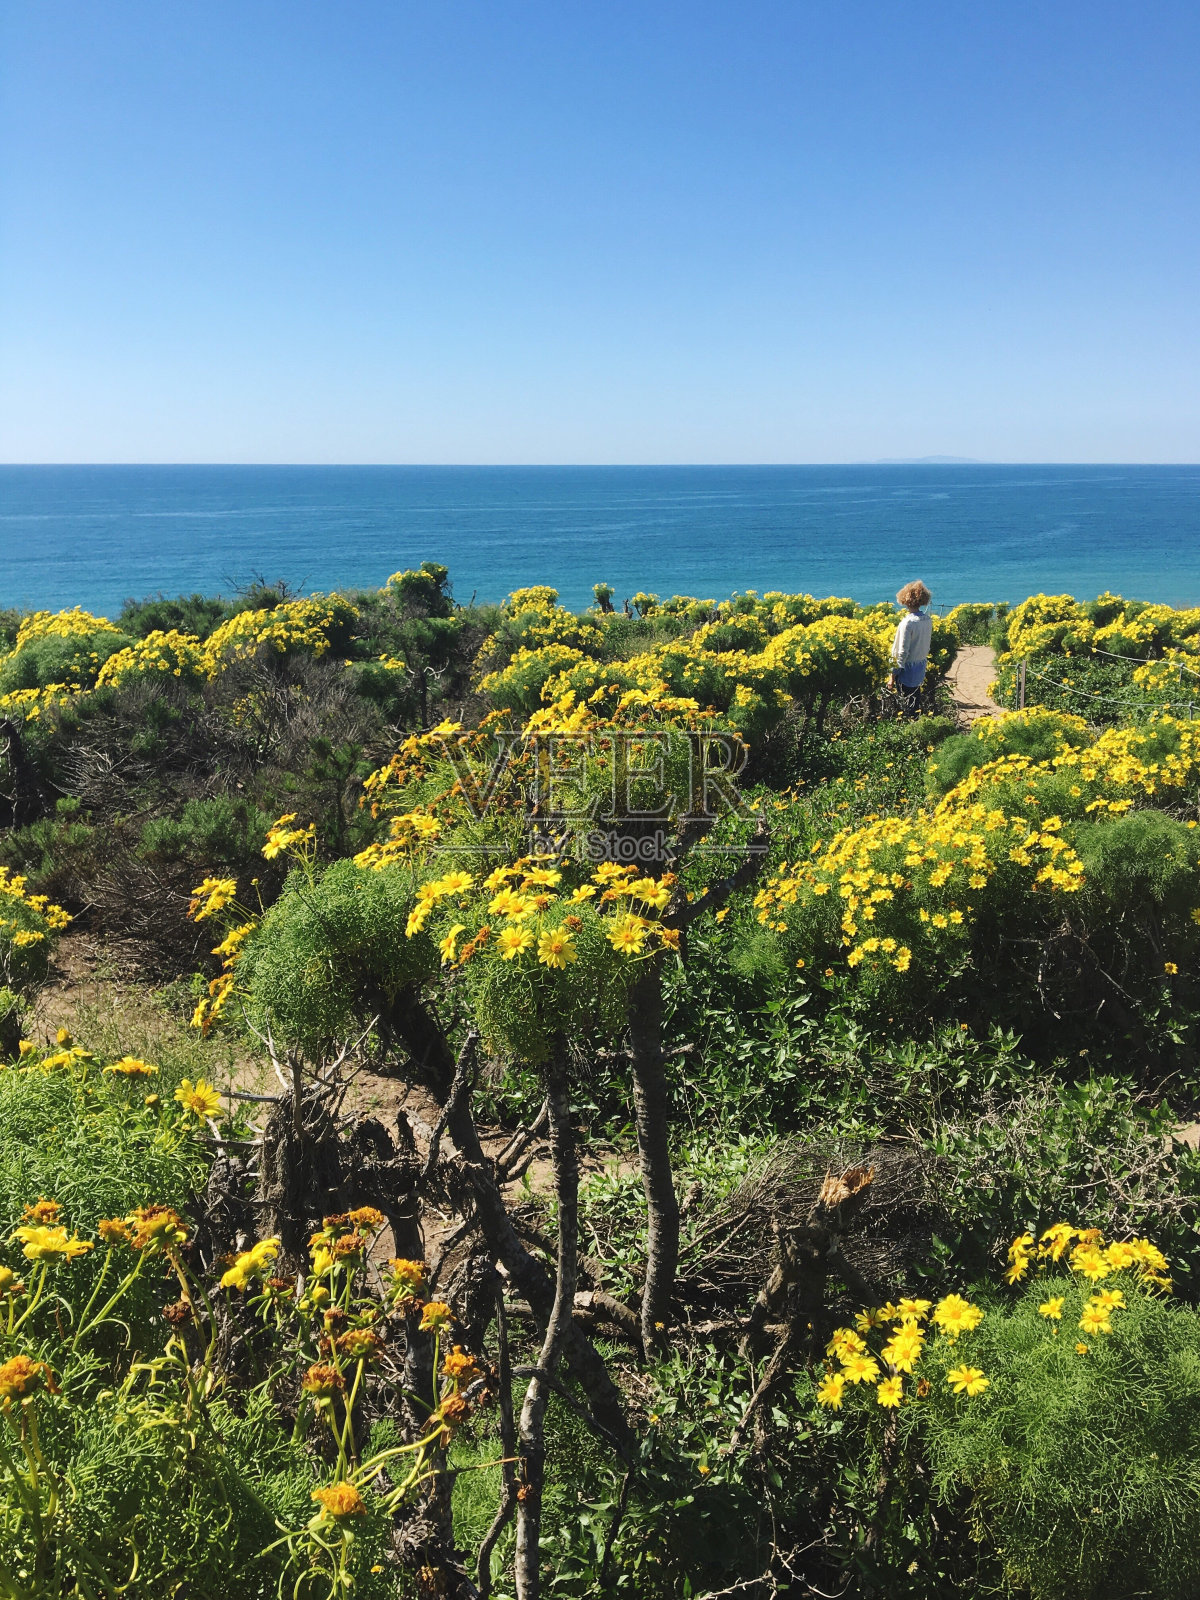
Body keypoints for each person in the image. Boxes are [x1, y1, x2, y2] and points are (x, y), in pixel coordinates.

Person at [890, 581, 933, 713]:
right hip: (920, 666)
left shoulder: (908, 622)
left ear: (905, 600)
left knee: (906, 706)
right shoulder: (927, 620)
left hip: (906, 670)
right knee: (915, 701)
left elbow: (902, 651)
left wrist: (892, 676)